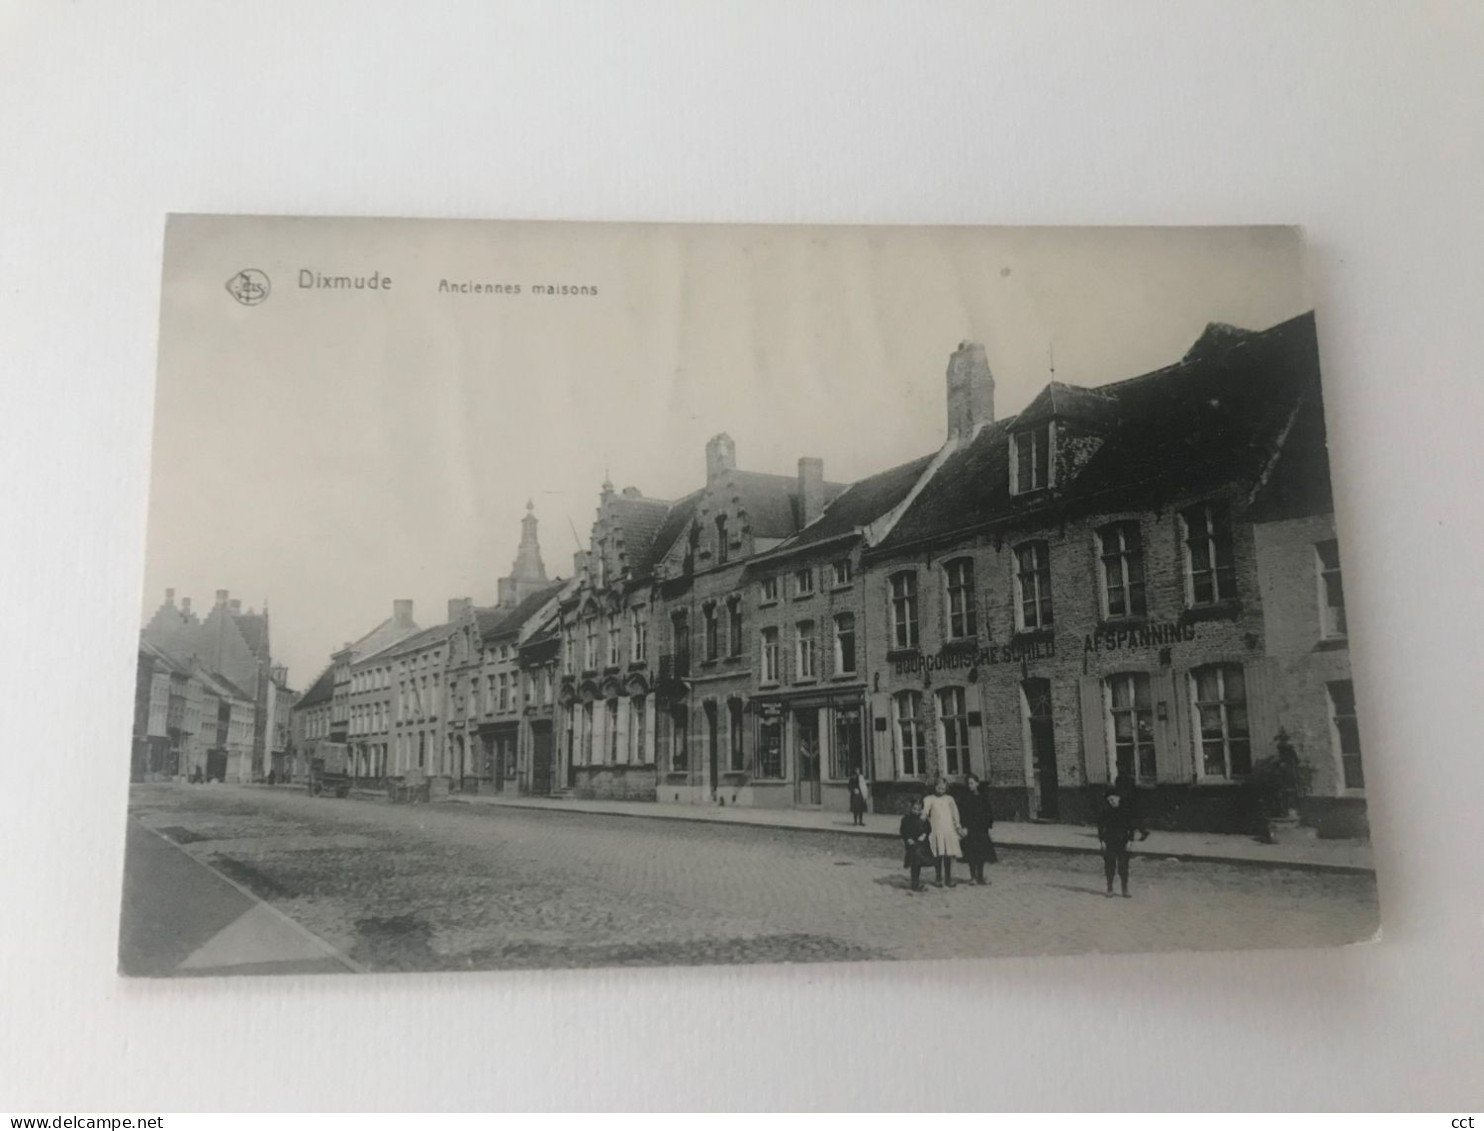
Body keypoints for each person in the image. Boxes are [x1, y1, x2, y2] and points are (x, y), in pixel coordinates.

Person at [1096, 786, 1148, 898]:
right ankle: (1109, 888)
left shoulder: (1125, 811)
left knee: (1123, 866)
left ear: (1118, 798)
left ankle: (1125, 889)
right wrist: (1102, 841)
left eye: (1113, 799)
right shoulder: (1105, 811)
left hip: (1123, 841)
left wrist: (1130, 841)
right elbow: (1100, 827)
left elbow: (1131, 827)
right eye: (1109, 800)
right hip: (1110, 841)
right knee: (1109, 865)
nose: (1111, 802)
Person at [920, 778, 965, 887]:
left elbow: (955, 814)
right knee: (938, 854)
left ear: (946, 787)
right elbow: (924, 813)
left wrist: (958, 826)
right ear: (934, 787)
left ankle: (948, 879)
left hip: (948, 830)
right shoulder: (929, 799)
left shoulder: (949, 799)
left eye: (943, 786)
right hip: (936, 830)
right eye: (938, 786)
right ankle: (938, 878)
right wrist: (921, 822)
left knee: (947, 854)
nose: (941, 788)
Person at [960, 773, 998, 884]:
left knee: (981, 853)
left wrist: (988, 823)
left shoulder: (983, 797)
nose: (970, 786)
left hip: (981, 829)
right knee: (971, 854)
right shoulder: (965, 798)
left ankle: (980, 876)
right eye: (968, 784)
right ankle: (972, 877)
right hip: (971, 829)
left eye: (972, 783)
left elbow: (988, 811)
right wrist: (964, 827)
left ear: (977, 783)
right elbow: (963, 814)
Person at [899, 798, 932, 891]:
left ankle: (915, 883)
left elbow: (928, 829)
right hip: (911, 843)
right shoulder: (906, 818)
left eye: (918, 809)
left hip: (921, 843)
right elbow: (903, 830)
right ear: (911, 808)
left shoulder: (923, 819)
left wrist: (924, 835)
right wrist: (908, 838)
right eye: (914, 809)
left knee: (917, 861)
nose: (916, 811)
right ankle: (915, 883)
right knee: (915, 862)